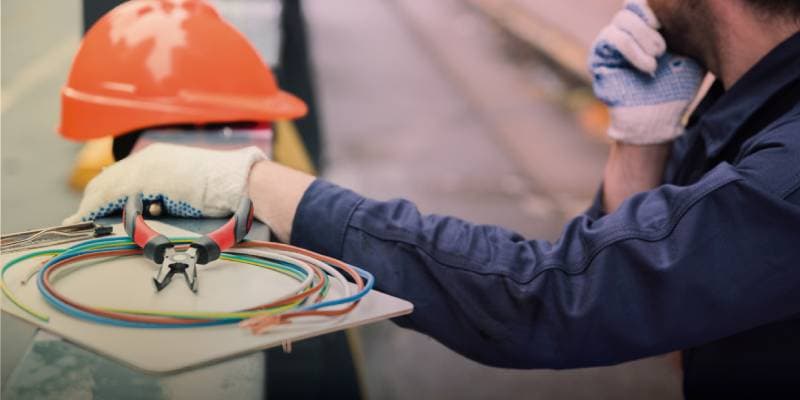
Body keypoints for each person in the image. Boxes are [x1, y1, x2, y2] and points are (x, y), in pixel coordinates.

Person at [67, 0, 800, 396]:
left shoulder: (787, 167)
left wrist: (246, 182)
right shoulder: (749, 109)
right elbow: (659, 308)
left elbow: (551, 298)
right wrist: (641, 139)